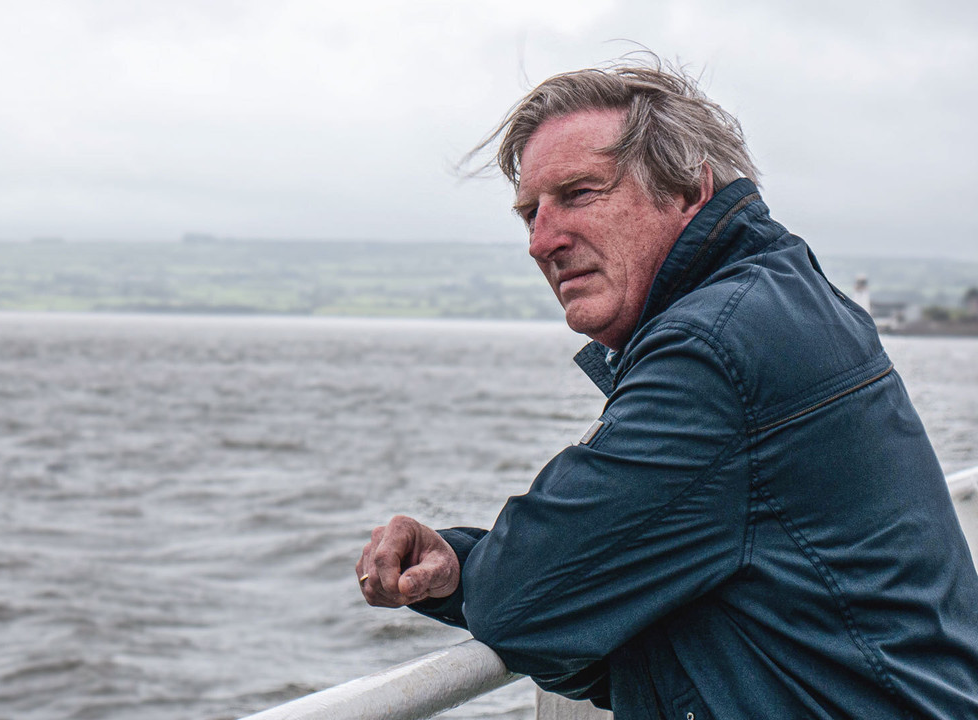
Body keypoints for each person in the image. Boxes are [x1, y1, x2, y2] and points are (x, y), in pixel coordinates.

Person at [355, 58, 978, 718]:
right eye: (530, 212)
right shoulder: (781, 300)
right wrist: (461, 570)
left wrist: (479, 578)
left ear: (688, 191)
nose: (541, 242)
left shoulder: (712, 351)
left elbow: (520, 605)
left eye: (579, 193)